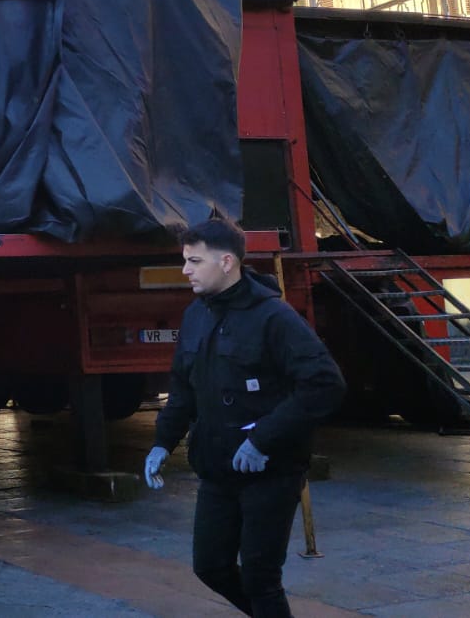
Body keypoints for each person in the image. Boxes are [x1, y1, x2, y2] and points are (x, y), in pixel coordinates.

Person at [144, 218, 345, 618]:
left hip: (271, 471)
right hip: (217, 469)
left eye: (194, 261)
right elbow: (184, 387)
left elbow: (325, 383)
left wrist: (262, 440)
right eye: (185, 260)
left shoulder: (274, 317)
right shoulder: (196, 315)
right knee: (211, 566)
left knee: (260, 576)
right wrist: (162, 441)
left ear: (227, 262)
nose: (186, 270)